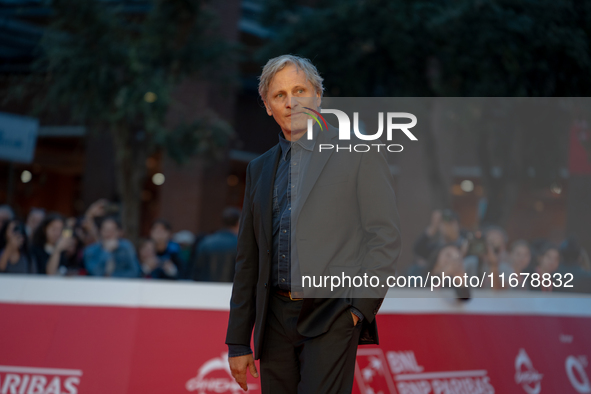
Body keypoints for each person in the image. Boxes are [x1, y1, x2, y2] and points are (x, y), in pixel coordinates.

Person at [226, 55, 401, 393]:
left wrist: (357, 311)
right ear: (266, 106)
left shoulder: (359, 152)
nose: (291, 102)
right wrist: (238, 341)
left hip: (332, 315)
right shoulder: (258, 169)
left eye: (299, 90)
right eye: (279, 95)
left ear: (317, 96)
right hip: (273, 320)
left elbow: (384, 237)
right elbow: (248, 259)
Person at [192, 207, 240, 282]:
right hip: (230, 289)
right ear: (238, 222)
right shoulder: (240, 244)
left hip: (206, 288)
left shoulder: (206, 241)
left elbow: (196, 270)